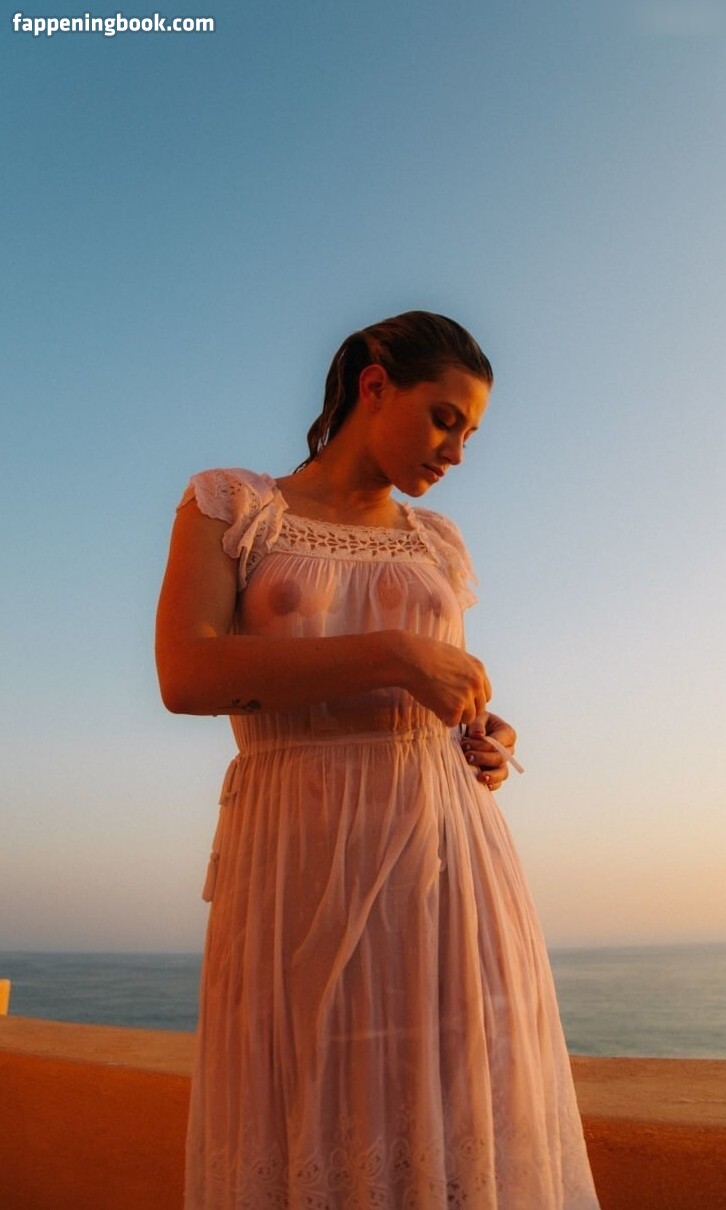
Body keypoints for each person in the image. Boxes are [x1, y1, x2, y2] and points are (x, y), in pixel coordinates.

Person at [156, 311, 600, 1209]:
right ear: (374, 386)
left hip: (445, 867)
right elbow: (187, 675)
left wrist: (484, 734)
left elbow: (434, 694)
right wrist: (396, 655)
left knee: (450, 1113)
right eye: (444, 419)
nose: (458, 453)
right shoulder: (233, 506)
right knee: (308, 1111)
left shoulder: (437, 543)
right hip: (295, 861)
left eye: (470, 434)